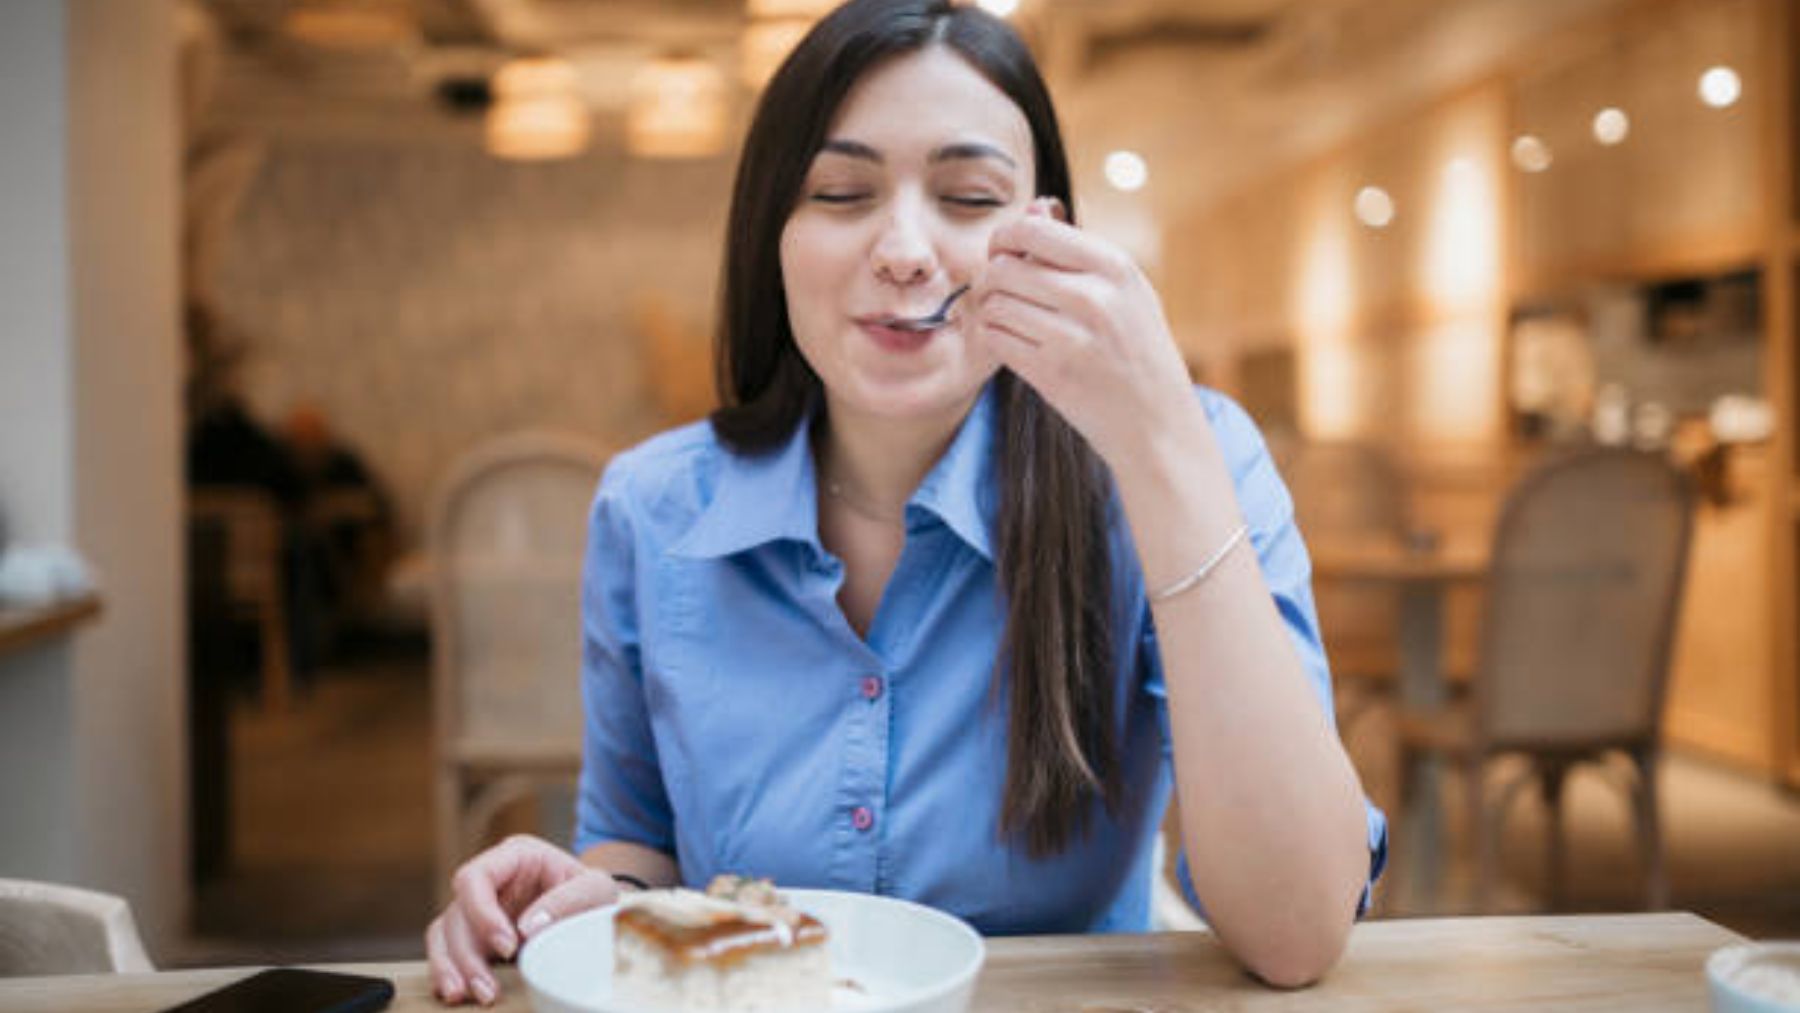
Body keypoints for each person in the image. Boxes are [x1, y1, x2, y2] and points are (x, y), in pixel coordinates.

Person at [426, 1, 1386, 1004]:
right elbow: (641, 841)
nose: (904, 249)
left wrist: (1162, 448)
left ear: (1045, 235)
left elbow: (1296, 932)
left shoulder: (1183, 456)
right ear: (772, 235)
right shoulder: (652, 506)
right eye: (842, 191)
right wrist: (590, 898)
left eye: (970, 197)